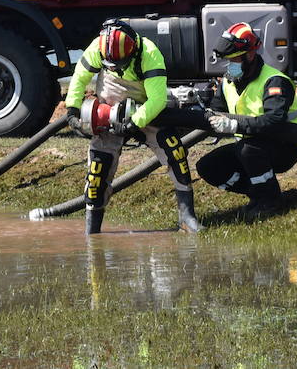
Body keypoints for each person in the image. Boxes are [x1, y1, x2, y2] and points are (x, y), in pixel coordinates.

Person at [64, 19, 201, 235]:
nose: (118, 69)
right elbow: (79, 79)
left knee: (176, 154)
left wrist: (134, 123)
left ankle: (187, 218)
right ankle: (92, 233)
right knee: (97, 171)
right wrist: (72, 110)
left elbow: (156, 100)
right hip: (109, 107)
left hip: (146, 109)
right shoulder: (98, 47)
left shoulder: (150, 53)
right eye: (113, 66)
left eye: (121, 64)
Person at [197, 22, 297, 220]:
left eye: (234, 59)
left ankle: (270, 201)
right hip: (248, 147)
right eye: (227, 60)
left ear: (250, 54)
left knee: (248, 150)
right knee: (207, 166)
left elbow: (274, 121)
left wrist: (235, 125)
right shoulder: (228, 81)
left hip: (282, 147)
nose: (230, 65)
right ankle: (257, 193)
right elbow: (217, 110)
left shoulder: (274, 81)